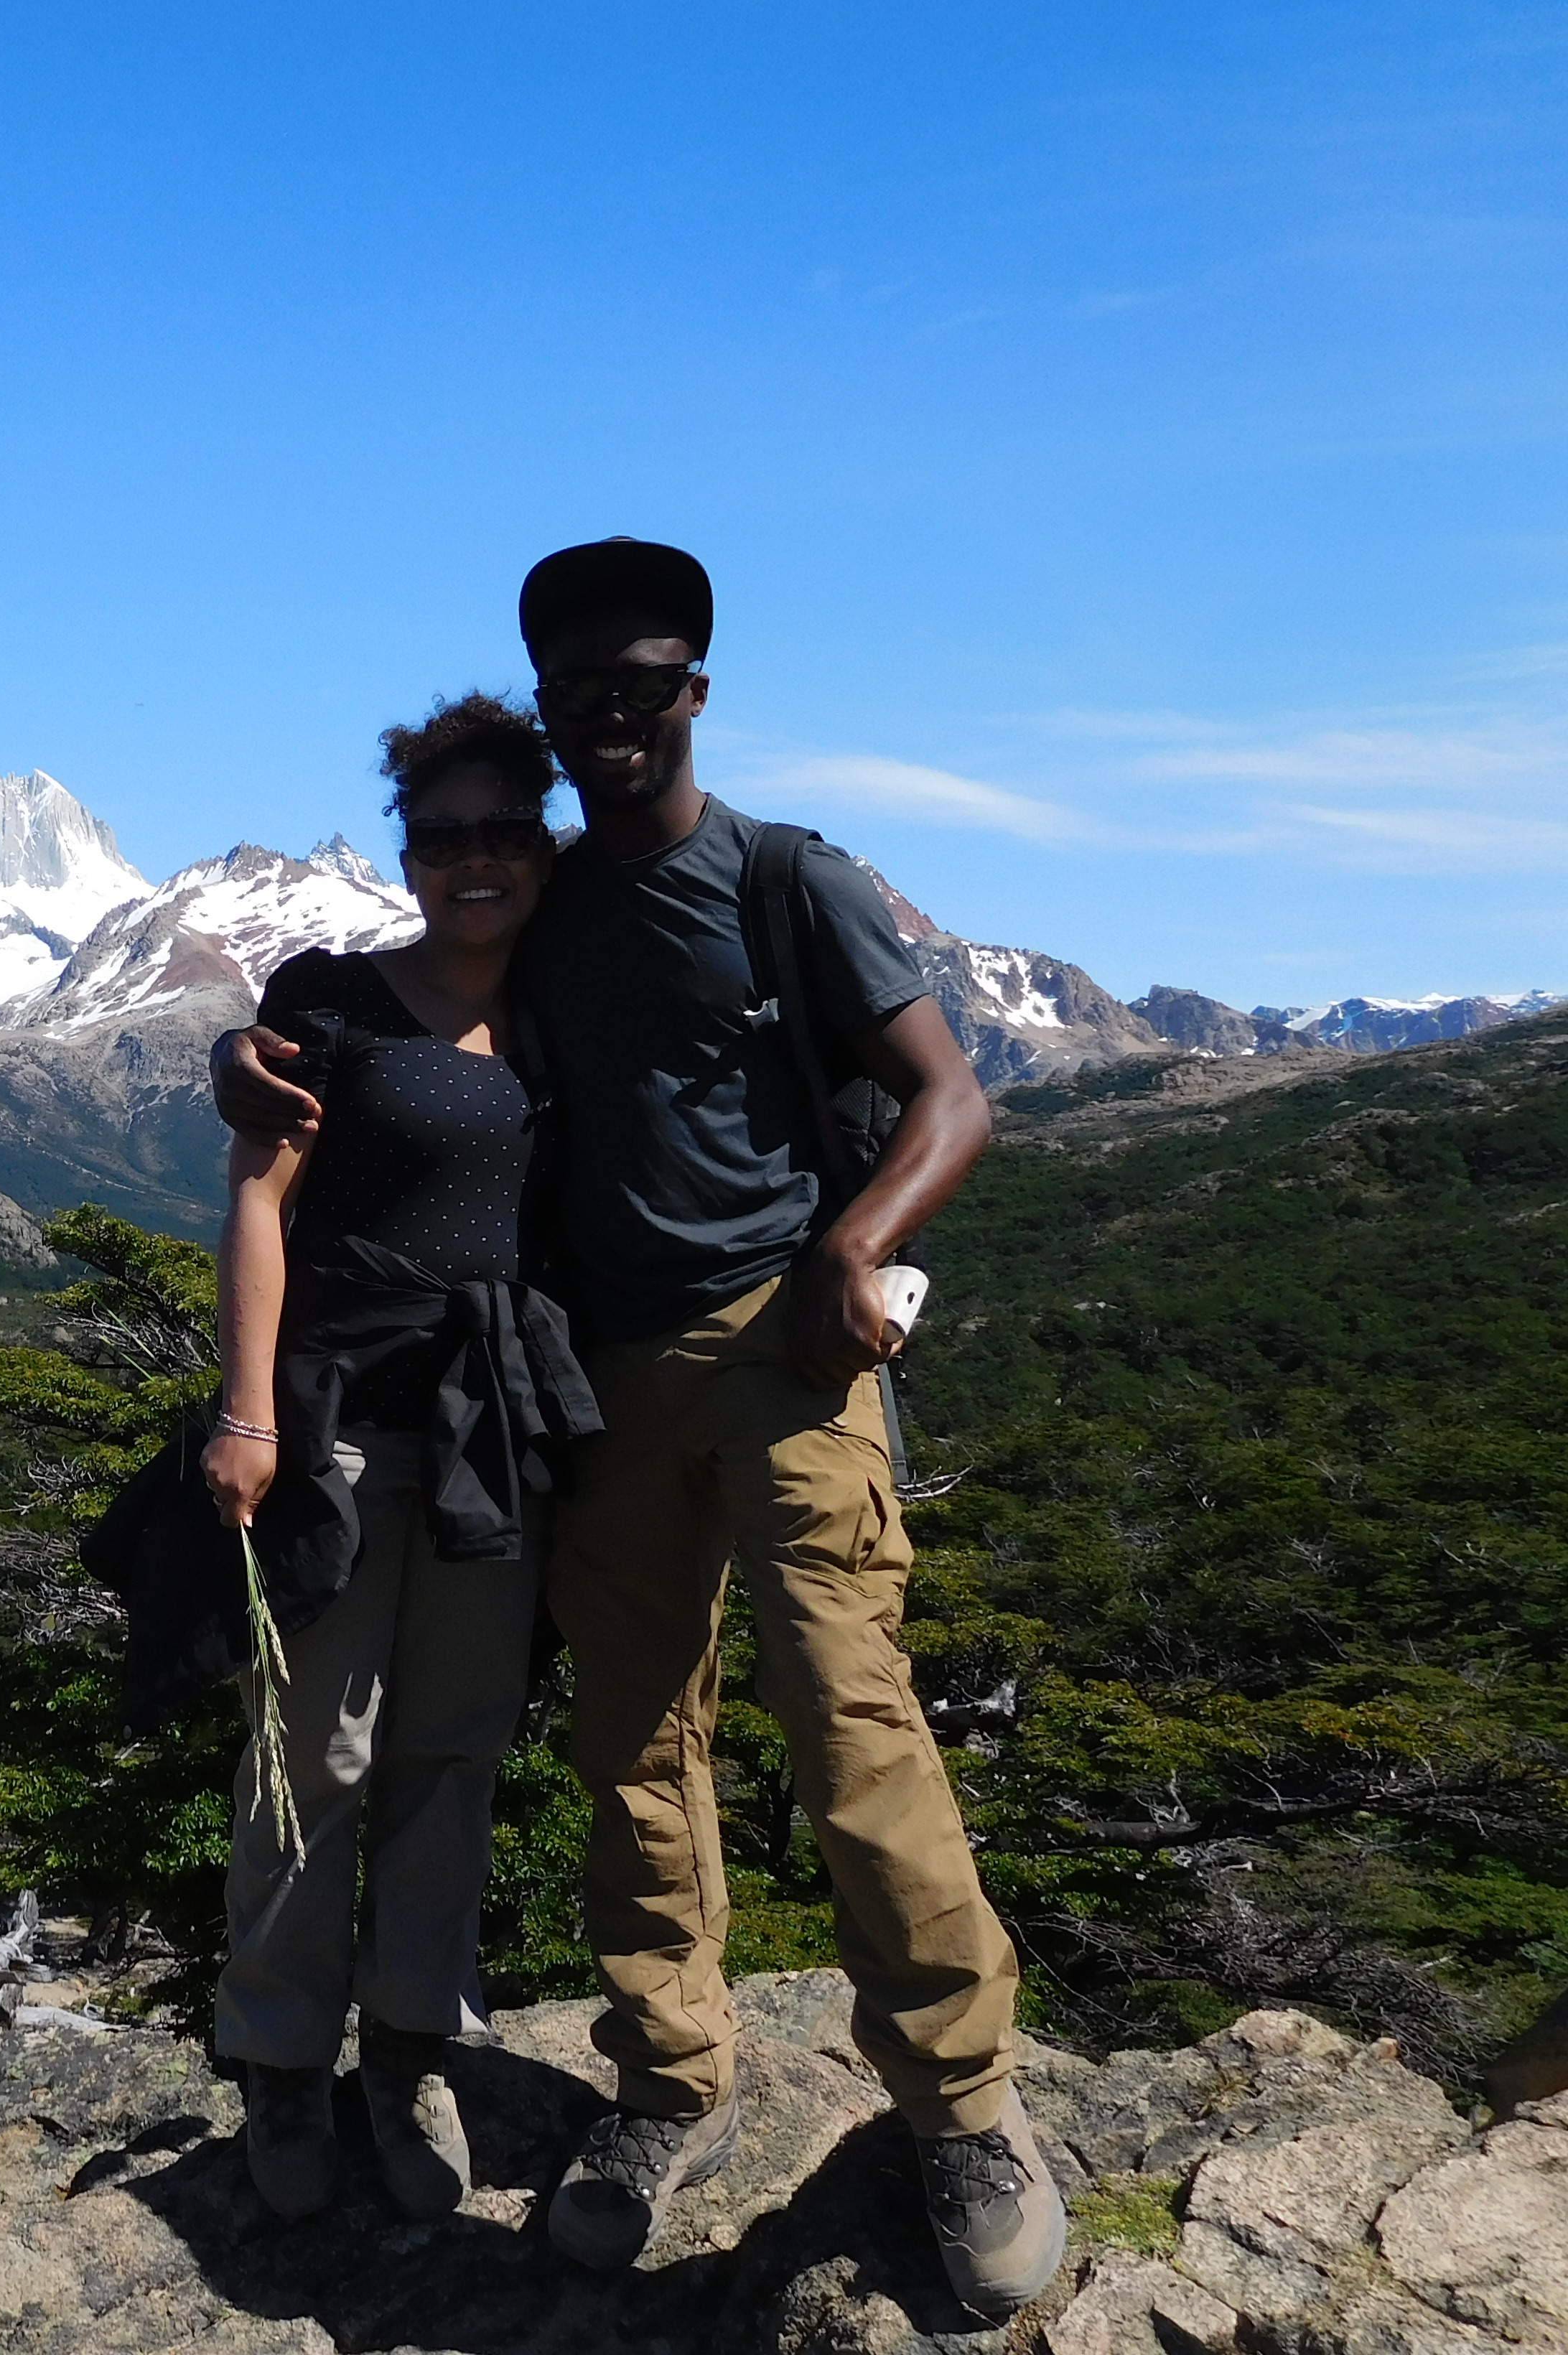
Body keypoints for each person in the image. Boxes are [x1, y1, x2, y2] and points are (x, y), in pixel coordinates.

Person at [210, 540, 1066, 2323]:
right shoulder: (546, 898)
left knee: (851, 1721)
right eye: (576, 692)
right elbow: (366, 1050)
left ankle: (965, 2113)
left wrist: (858, 1239)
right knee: (632, 1741)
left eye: (641, 683)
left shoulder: (784, 879)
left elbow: (950, 1096)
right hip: (599, 1381)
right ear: (547, 712)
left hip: (783, 1352)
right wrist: (246, 1049)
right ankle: (669, 2079)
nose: (608, 716)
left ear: (696, 691)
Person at [202, 694, 600, 2223]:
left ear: (543, 842)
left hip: (495, 1433)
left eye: (507, 832)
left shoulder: (569, 1010)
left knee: (452, 1753)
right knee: (317, 1753)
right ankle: (285, 2063)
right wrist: (248, 1415)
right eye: (445, 839)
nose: (476, 863)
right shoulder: (335, 996)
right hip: (348, 1419)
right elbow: (258, 1198)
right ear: (409, 854)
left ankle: (410, 2053)